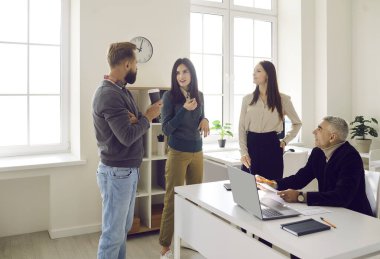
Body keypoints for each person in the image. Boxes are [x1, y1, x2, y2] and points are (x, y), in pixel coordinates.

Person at [92, 42, 162, 259]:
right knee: (113, 235)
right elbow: (127, 135)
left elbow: (132, 124)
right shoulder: (109, 95)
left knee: (122, 230)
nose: (137, 69)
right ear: (127, 63)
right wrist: (148, 117)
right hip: (117, 173)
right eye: (136, 64)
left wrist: (139, 119)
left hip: (126, 171)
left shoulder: (120, 91)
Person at [256, 116, 373, 216]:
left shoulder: (350, 157)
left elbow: (341, 197)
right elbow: (300, 179)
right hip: (331, 211)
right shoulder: (318, 152)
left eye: (319, 129)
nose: (314, 131)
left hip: (354, 216)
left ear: (332, 137)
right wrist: (274, 184)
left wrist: (300, 196)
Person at [159, 58, 210, 259]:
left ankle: (188, 239)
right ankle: (165, 246)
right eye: (178, 72)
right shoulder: (169, 97)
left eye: (185, 72)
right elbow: (166, 128)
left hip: (197, 151)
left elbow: (201, 117)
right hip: (177, 152)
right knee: (172, 198)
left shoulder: (200, 95)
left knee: (194, 199)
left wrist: (204, 119)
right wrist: (183, 110)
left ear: (192, 74)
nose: (181, 76)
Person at [239, 60, 302, 180]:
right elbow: (241, 128)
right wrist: (243, 152)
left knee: (271, 189)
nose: (254, 74)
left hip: (272, 147)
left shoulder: (283, 99)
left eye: (258, 71)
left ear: (268, 74)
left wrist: (285, 141)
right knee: (247, 189)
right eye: (253, 71)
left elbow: (297, 123)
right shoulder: (247, 99)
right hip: (251, 145)